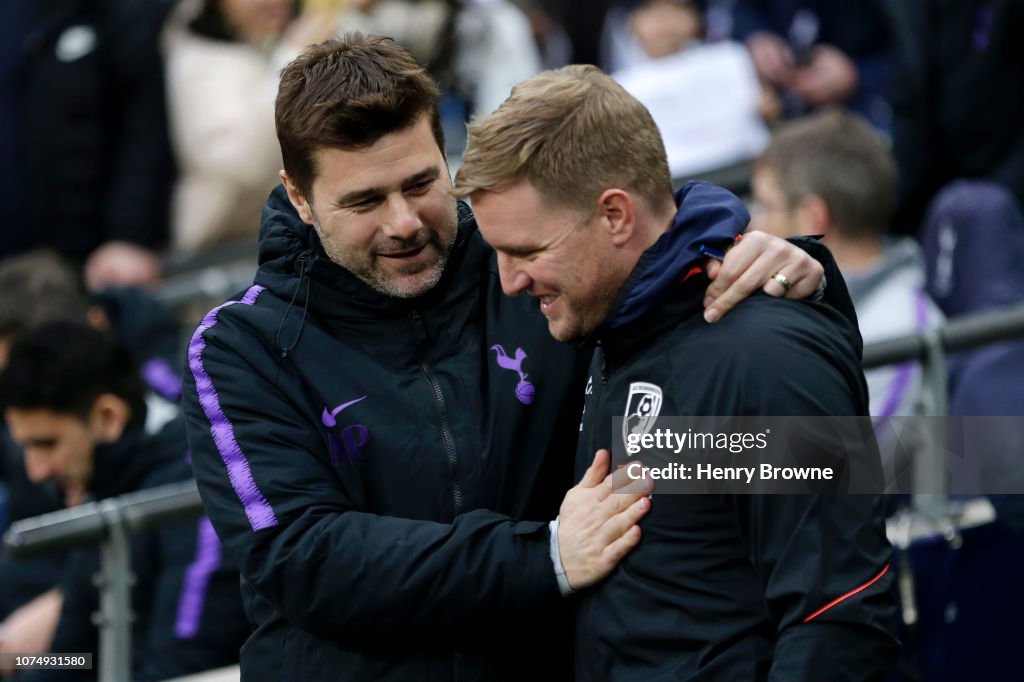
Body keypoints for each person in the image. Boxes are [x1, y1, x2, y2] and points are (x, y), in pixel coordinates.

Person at [181, 33, 834, 681]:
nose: (404, 221)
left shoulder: (534, 276)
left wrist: (780, 265)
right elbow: (301, 559)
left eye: (421, 183)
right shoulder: (242, 347)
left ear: (446, 154)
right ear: (298, 196)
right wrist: (543, 556)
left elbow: (647, 246)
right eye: (365, 201)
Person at [457, 64, 899, 680]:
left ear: (615, 215)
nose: (509, 282)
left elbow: (838, 619)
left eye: (527, 253)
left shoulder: (763, 359)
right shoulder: (606, 325)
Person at [0, 321, 247, 681]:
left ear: (108, 418)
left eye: (47, 444)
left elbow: (181, 666)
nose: (35, 471)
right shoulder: (103, 487)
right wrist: (17, 663)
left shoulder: (194, 489)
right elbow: (76, 661)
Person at [749, 109, 945, 425]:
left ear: (813, 218)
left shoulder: (899, 329)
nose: (753, 225)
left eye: (766, 206)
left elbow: (835, 466)